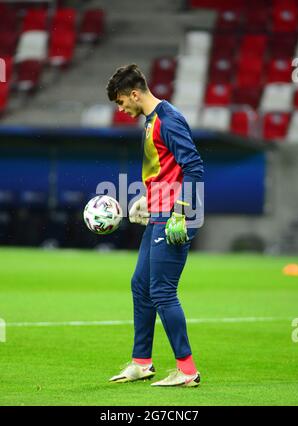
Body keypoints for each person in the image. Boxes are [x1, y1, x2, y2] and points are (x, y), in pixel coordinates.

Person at [106, 64, 204, 387]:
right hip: (159, 214)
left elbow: (194, 167)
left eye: (121, 102)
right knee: (141, 285)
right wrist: (147, 200)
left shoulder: (167, 120)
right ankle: (141, 362)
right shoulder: (152, 122)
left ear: (134, 94)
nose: (121, 109)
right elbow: (168, 170)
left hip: (174, 218)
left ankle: (187, 370)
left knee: (162, 291)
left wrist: (181, 210)